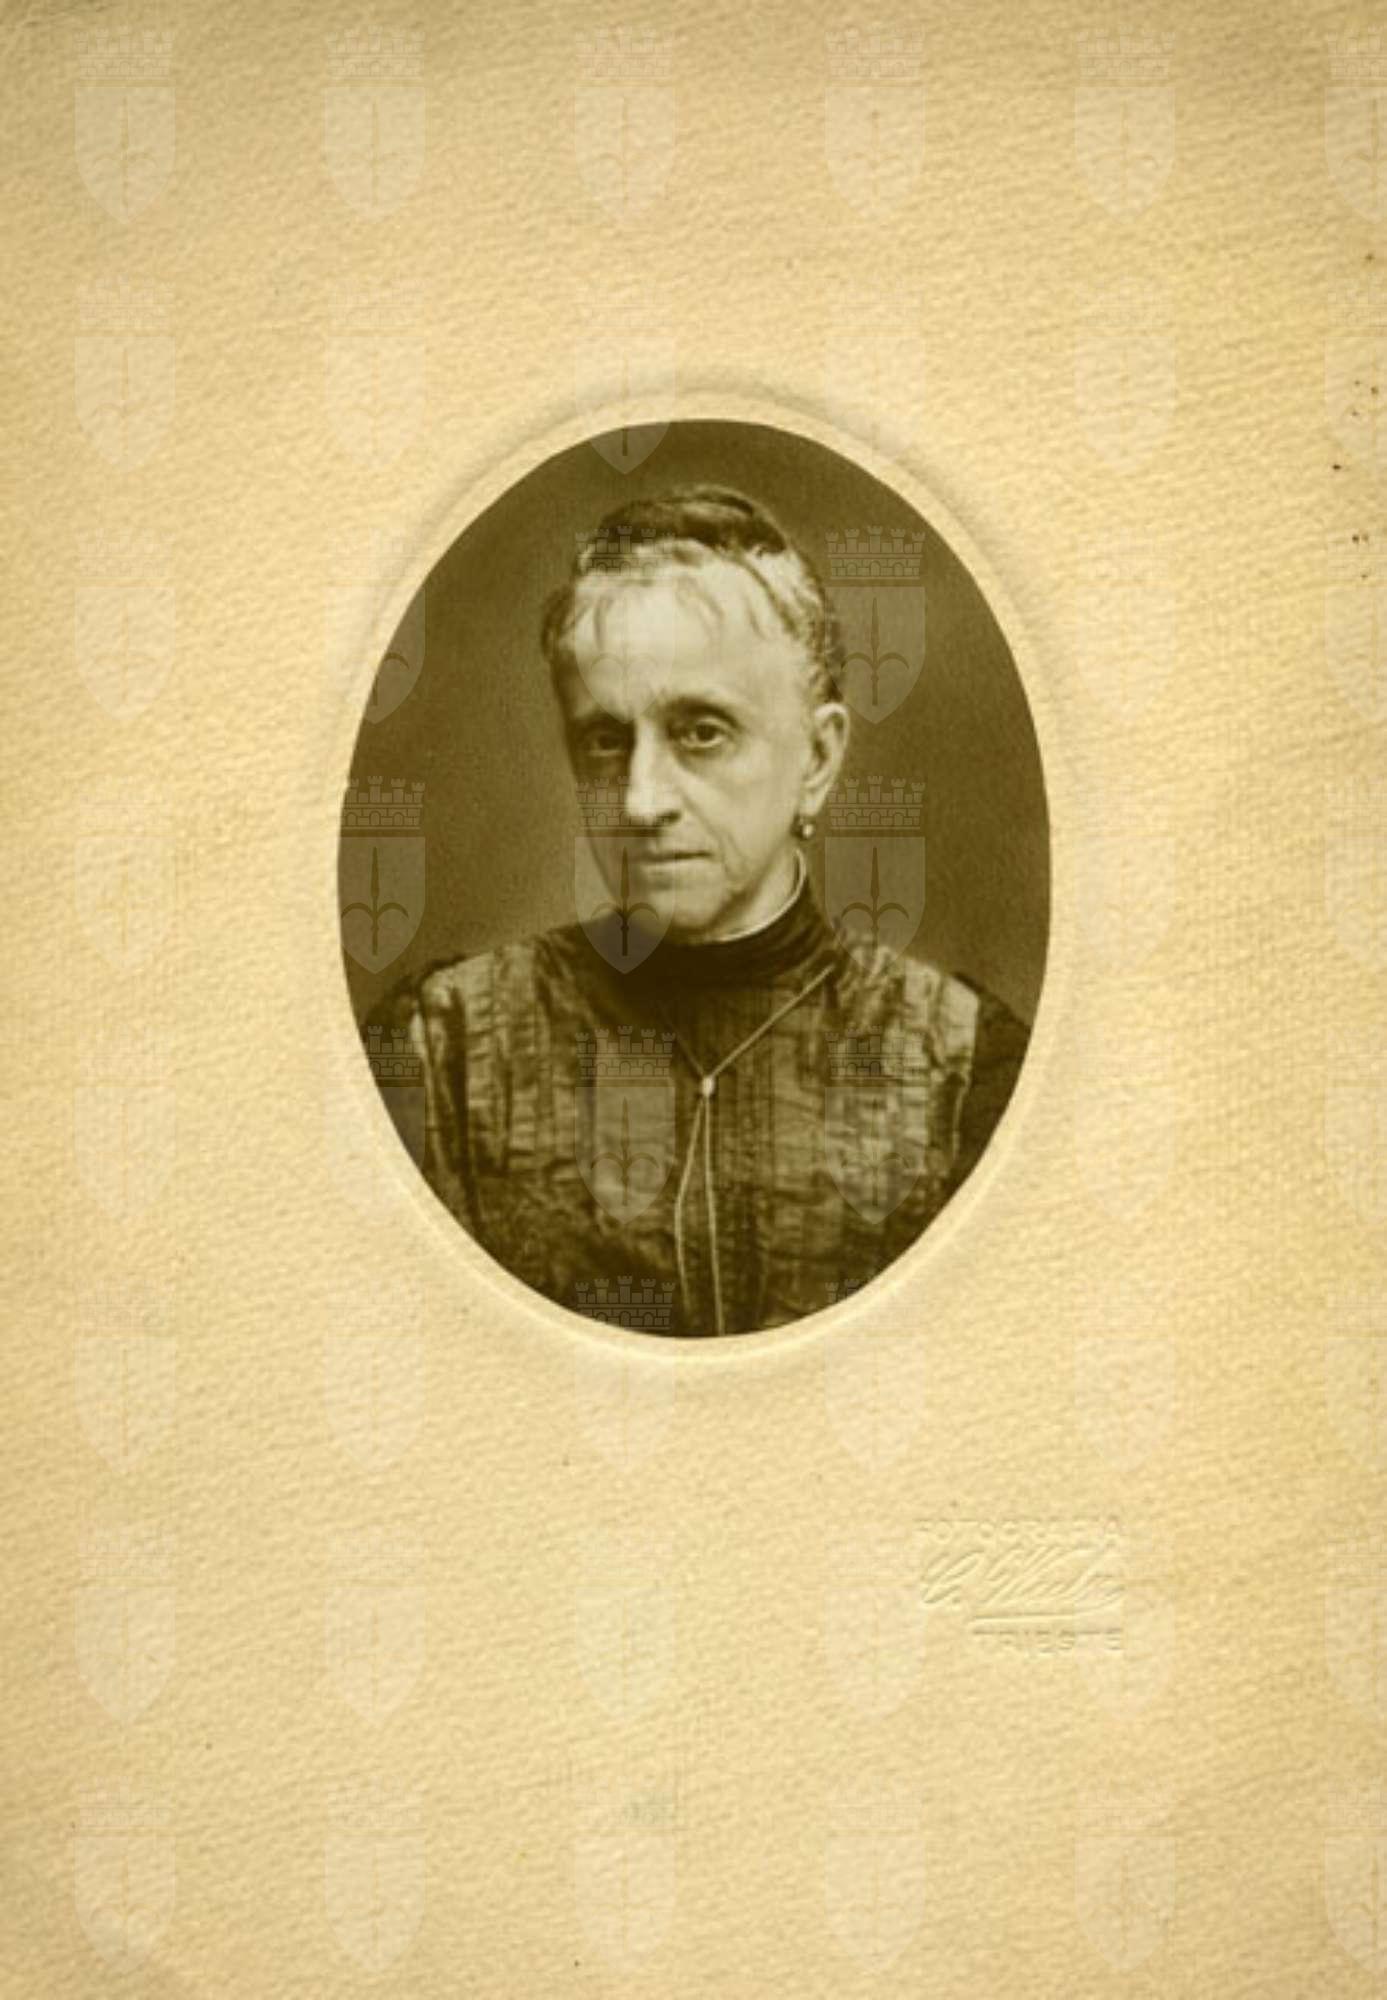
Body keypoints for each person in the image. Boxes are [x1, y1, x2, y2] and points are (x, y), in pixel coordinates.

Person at [363, 485, 1030, 1337]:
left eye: (701, 732)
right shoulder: (444, 1053)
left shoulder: (959, 1068)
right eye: (605, 741)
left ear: (817, 758)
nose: (639, 801)